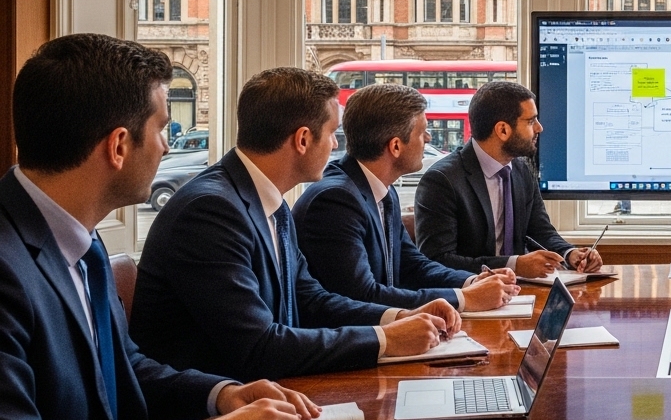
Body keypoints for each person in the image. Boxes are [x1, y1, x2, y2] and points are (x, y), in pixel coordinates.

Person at [0, 34, 319, 420]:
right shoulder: (8, 267)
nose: (167, 146)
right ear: (117, 146)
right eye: (162, 128)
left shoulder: (78, 240)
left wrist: (221, 394)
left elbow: (123, 367)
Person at [131, 68, 461, 382]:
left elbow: (313, 300)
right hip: (223, 412)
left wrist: (398, 318)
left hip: (275, 394)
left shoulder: (267, 201)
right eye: (332, 133)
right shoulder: (210, 210)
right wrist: (385, 339)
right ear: (302, 139)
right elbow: (258, 346)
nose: (335, 145)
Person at [294, 83, 520, 312]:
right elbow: (362, 295)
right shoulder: (335, 201)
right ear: (395, 146)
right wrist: (464, 299)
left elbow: (411, 264)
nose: (429, 138)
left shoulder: (382, 189)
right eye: (422, 132)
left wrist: (472, 282)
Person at [415, 81, 604, 278]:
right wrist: (514, 265)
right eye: (531, 122)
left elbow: (541, 232)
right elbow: (438, 260)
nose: (539, 128)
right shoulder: (442, 181)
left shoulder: (521, 169)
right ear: (503, 130)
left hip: (518, 293)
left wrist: (570, 254)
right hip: (469, 297)